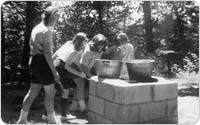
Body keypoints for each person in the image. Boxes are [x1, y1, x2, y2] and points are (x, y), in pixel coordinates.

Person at [17, 6, 60, 124]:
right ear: (52, 17)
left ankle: (22, 120)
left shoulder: (36, 28)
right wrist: (54, 71)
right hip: (42, 63)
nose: (57, 20)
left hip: (33, 62)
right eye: (57, 17)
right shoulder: (46, 30)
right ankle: (52, 121)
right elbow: (47, 53)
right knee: (50, 92)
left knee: (32, 92)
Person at [52, 32, 88, 120]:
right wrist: (80, 74)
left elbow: (56, 54)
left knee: (52, 91)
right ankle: (64, 116)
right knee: (65, 91)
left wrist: (50, 65)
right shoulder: (74, 51)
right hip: (61, 68)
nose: (84, 45)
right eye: (84, 42)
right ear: (80, 42)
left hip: (55, 64)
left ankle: (46, 115)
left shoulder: (68, 43)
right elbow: (67, 66)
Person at [70, 33, 108, 112]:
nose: (101, 47)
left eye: (103, 45)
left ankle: (74, 106)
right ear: (95, 43)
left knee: (80, 86)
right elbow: (83, 66)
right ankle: (83, 108)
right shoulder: (88, 50)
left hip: (84, 67)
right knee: (80, 85)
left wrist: (98, 74)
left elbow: (95, 63)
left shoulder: (100, 51)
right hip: (75, 66)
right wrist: (91, 77)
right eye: (99, 45)